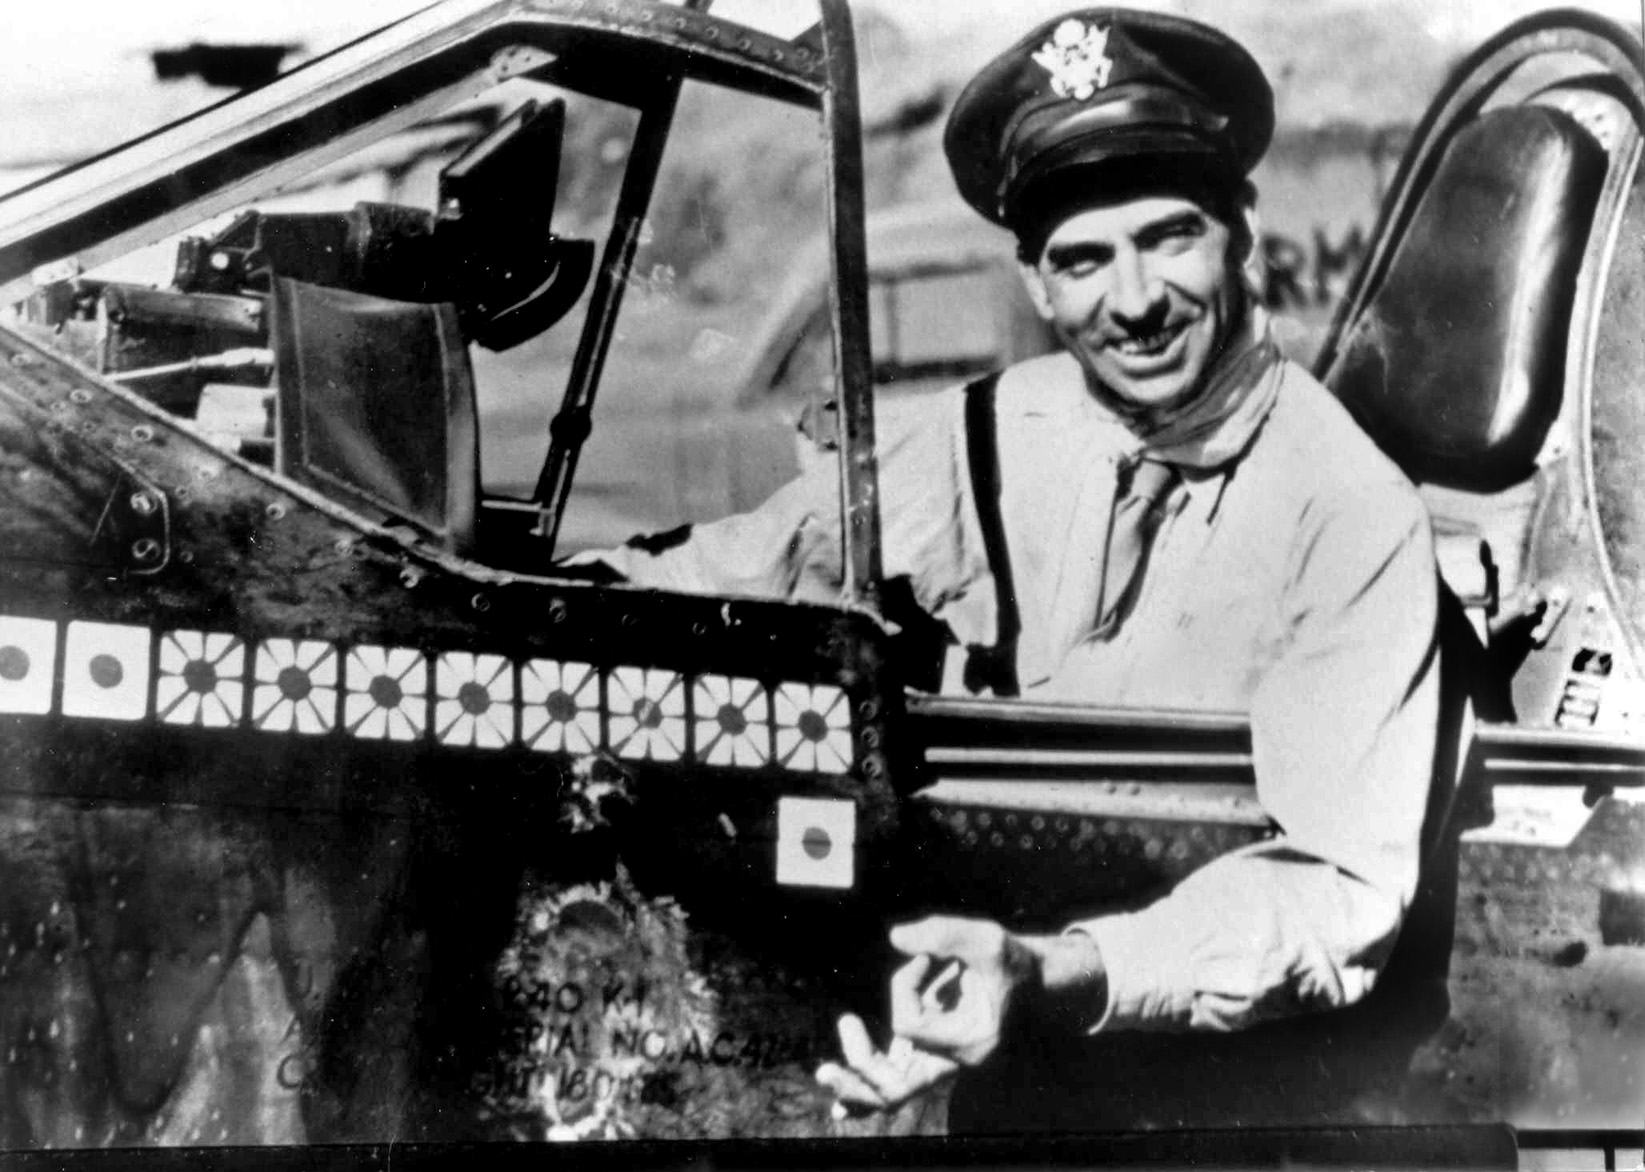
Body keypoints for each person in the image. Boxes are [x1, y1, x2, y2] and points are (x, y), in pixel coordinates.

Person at [586, 7, 1448, 1130]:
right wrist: (547, 599)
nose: (1131, 302)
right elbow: (760, 557)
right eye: (1083, 259)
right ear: (1036, 285)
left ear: (1242, 229)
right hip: (964, 1019)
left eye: (1168, 236)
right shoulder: (998, 425)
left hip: (1202, 1099)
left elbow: (1335, 893)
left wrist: (1051, 971)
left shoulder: (1347, 509)